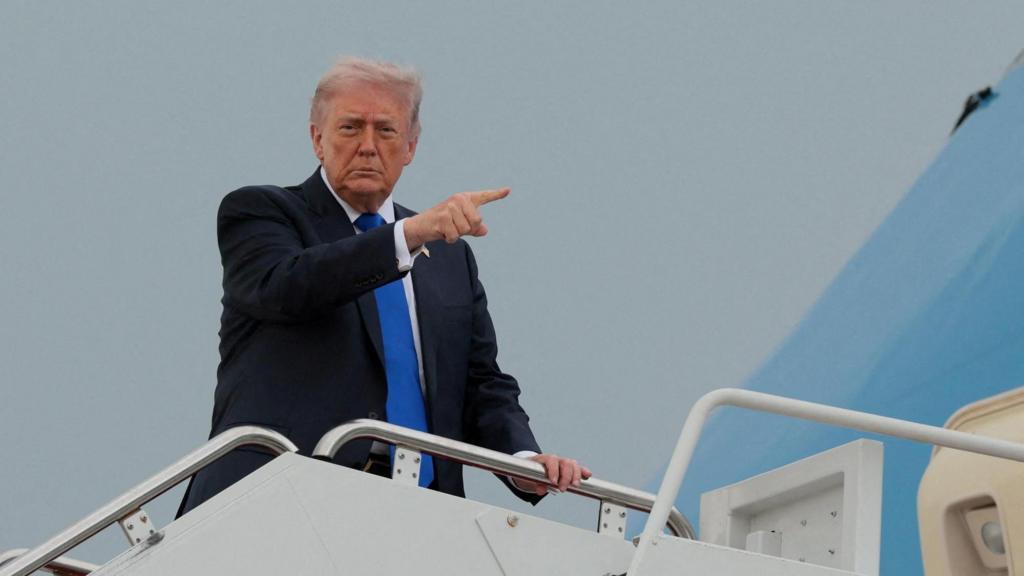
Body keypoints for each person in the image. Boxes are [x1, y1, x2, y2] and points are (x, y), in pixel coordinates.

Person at [177, 57, 589, 516]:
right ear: (318, 138)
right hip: (280, 505)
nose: (368, 147)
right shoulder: (261, 213)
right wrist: (407, 236)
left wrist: (522, 459)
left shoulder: (448, 256)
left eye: (386, 131)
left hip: (420, 517)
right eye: (350, 128)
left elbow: (479, 382)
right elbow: (290, 285)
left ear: (410, 146)